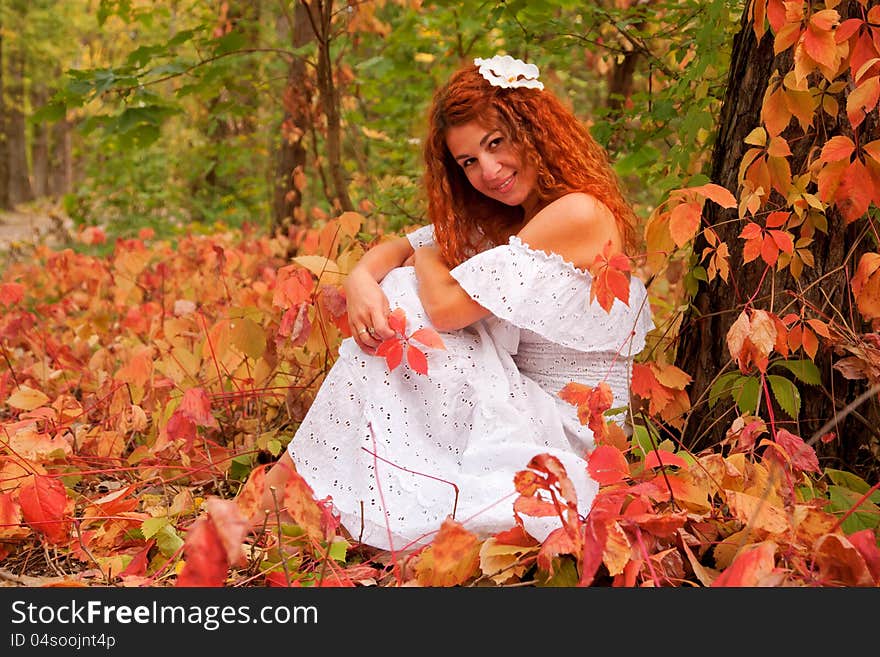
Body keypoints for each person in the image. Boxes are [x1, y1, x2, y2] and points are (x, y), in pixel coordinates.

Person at [260, 54, 654, 552]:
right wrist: (360, 276)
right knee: (400, 290)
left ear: (533, 129)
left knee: (408, 296)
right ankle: (287, 485)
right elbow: (398, 247)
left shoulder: (578, 212)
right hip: (521, 402)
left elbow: (443, 304)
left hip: (571, 429)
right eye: (468, 161)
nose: (489, 171)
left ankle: (281, 485)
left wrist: (424, 257)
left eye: (496, 144)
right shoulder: (510, 219)